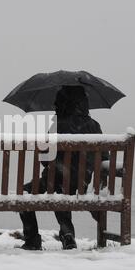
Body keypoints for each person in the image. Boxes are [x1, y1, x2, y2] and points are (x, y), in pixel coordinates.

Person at [19, 85, 109, 250]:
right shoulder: (94, 126)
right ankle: (67, 234)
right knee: (62, 190)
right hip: (81, 184)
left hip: (55, 181)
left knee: (25, 192)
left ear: (61, 103)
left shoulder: (57, 125)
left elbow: (45, 158)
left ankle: (33, 239)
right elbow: (104, 158)